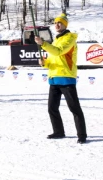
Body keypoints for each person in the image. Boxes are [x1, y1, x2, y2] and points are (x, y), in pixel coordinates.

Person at [34, 13, 87, 144]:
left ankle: (82, 135)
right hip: (54, 78)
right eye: (56, 23)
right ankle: (58, 131)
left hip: (66, 78)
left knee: (74, 108)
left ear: (65, 25)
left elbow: (58, 52)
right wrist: (44, 63)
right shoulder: (56, 40)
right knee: (52, 108)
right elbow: (54, 58)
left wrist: (43, 44)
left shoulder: (70, 39)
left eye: (60, 23)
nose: (57, 25)